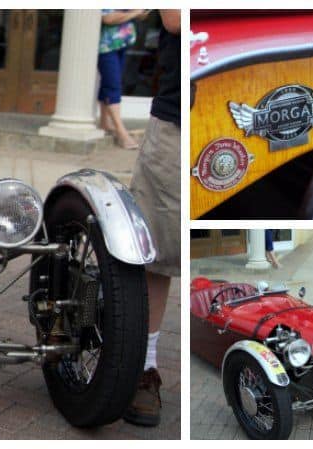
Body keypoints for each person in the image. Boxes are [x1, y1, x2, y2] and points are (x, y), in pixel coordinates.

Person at [124, 9, 179, 428]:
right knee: (156, 252)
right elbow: (177, 18)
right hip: (184, 119)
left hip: (266, 114)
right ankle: (142, 366)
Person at [97, 9, 145, 150]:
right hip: (105, 45)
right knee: (113, 85)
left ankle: (104, 123)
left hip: (121, 43)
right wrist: (135, 13)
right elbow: (107, 18)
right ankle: (121, 132)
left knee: (108, 83)